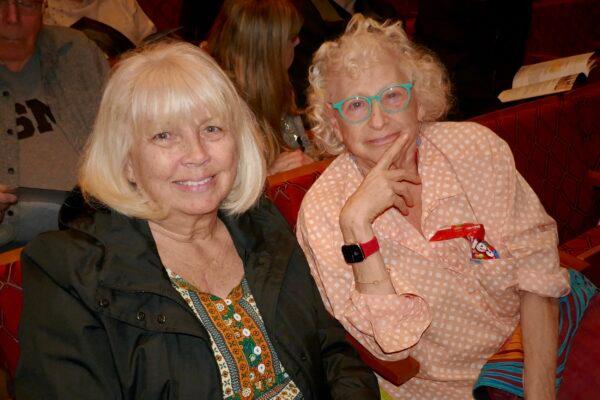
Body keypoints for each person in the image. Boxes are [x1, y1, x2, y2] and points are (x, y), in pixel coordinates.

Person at [15, 41, 379, 399]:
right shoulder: (69, 271)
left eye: (212, 129)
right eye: (164, 135)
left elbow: (331, 353)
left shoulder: (260, 222)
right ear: (126, 160)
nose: (197, 154)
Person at [296, 14, 570, 399]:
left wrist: (539, 393)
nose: (378, 120)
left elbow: (538, 273)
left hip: (536, 347)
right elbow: (391, 346)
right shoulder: (324, 213)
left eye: (393, 96)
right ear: (334, 123)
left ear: (419, 100)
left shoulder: (477, 149)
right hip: (440, 389)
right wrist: (358, 226)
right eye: (356, 105)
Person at [0, 0, 109, 249]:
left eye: (26, 4)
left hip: (107, 238)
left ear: (43, 7)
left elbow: (126, 141)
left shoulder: (76, 52)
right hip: (14, 257)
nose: (12, 18)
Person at [206, 0, 314, 175]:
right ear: (268, 50)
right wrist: (265, 175)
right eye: (291, 37)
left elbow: (298, 147)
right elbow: (212, 183)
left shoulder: (278, 84)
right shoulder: (214, 105)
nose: (298, 42)